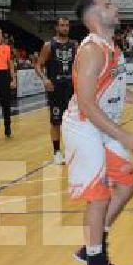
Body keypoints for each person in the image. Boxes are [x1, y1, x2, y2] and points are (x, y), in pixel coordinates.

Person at [63, 0, 133, 265]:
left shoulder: (110, 47)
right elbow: (87, 103)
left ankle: (91, 247)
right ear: (92, 15)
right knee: (99, 197)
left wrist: (132, 98)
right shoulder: (91, 50)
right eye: (108, 4)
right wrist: (124, 135)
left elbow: (106, 85)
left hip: (100, 127)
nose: (115, 8)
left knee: (128, 183)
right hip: (85, 128)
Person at [35, 17, 79, 164]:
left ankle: (72, 150)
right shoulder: (49, 45)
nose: (65, 28)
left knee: (74, 121)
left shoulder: (75, 45)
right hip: (55, 88)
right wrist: (45, 79)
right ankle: (56, 152)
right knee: (56, 121)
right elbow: (38, 65)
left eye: (67, 25)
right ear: (57, 27)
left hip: (72, 87)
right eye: (62, 25)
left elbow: (80, 65)